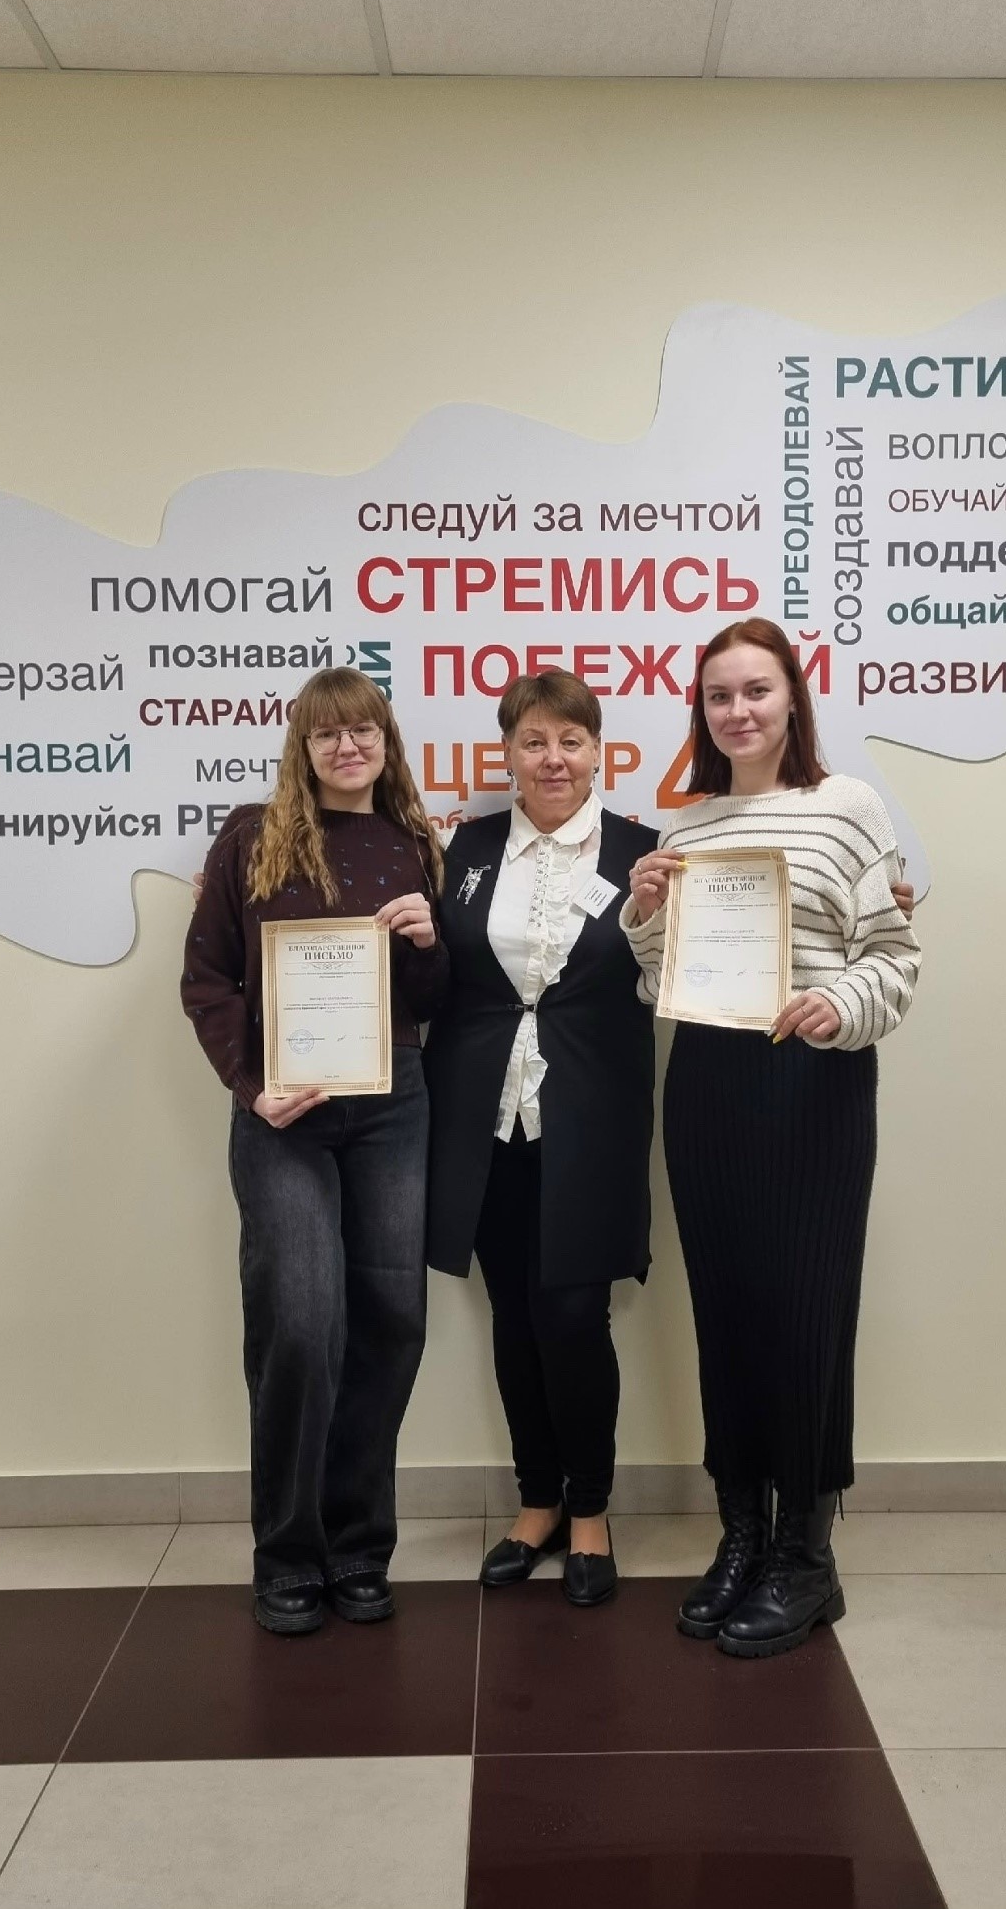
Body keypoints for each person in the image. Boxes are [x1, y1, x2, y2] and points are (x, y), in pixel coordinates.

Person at [623, 618, 921, 1658]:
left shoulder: (847, 809)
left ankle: (806, 1555)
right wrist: (644, 913)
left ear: (792, 697)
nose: (738, 710)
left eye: (756, 689)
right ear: (699, 713)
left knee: (805, 1316)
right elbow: (660, 981)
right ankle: (741, 1533)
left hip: (811, 1083)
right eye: (718, 695)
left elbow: (892, 956)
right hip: (707, 1085)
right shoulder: (690, 828)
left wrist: (837, 1003)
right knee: (728, 1313)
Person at [181, 669, 448, 1637]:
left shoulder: (414, 843)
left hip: (391, 1104)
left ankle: (359, 1546)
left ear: (386, 742)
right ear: (302, 745)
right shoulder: (250, 837)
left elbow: (431, 1001)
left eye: (363, 730)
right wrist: (251, 1084)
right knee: (298, 1319)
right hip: (282, 1113)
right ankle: (288, 1554)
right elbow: (206, 979)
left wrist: (430, 942)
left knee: (389, 1319)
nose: (347, 747)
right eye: (327, 733)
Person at [424, 671, 660, 1607]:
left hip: (591, 1121)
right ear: (509, 755)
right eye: (533, 741)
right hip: (484, 1120)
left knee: (572, 1317)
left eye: (570, 740)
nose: (552, 758)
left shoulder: (645, 854)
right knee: (514, 1317)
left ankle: (591, 1509)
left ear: (598, 751)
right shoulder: (468, 850)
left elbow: (679, 973)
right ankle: (537, 1502)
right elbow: (437, 973)